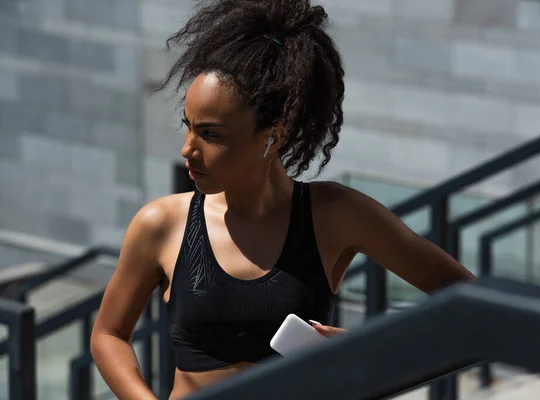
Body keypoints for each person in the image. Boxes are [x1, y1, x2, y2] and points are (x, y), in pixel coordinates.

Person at [90, 0, 475, 399]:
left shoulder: (337, 215)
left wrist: (366, 350)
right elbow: (108, 334)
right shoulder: (160, 224)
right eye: (187, 127)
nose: (187, 149)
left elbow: (474, 306)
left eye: (210, 134)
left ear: (273, 136)